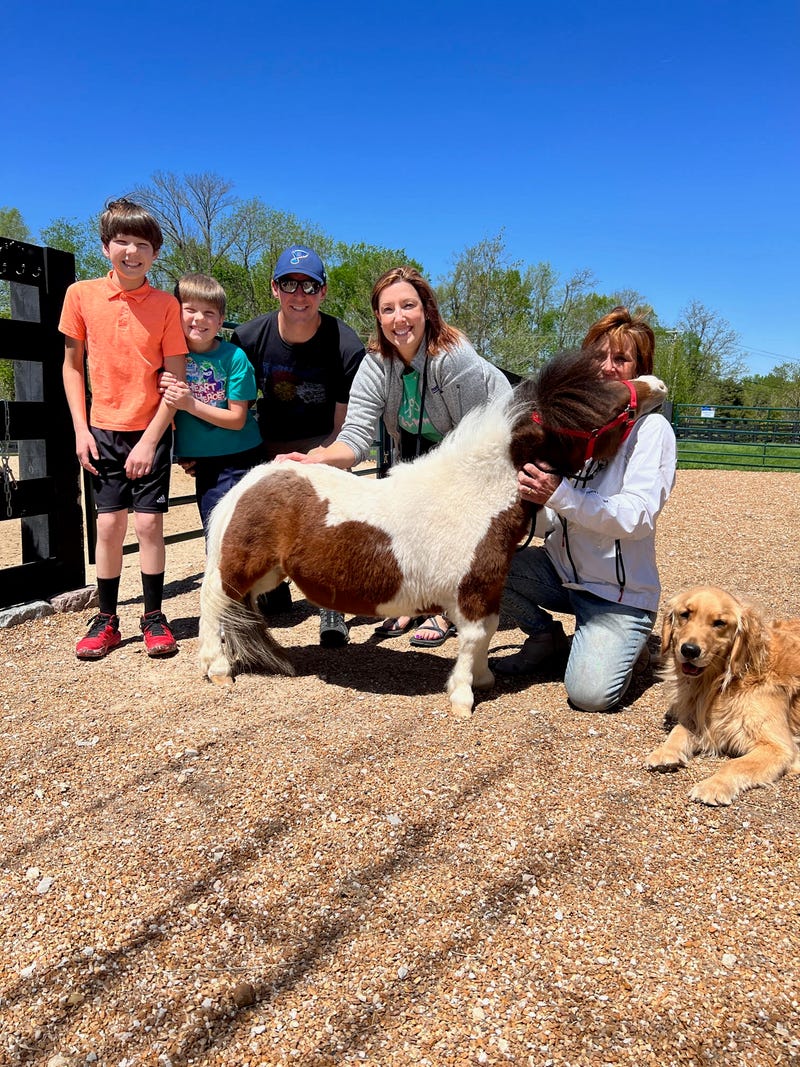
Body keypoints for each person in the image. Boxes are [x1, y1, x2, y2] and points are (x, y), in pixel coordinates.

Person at [281, 265, 512, 647]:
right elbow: (355, 437)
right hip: (421, 449)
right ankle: (416, 599)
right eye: (388, 309)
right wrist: (316, 459)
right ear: (378, 316)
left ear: (427, 310)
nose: (399, 318)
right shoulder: (374, 364)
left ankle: (441, 607)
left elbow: (477, 445)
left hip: (483, 449)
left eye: (408, 306)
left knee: (441, 515)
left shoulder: (455, 358)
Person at [493, 306, 677, 712]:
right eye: (598, 357)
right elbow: (550, 521)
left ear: (639, 370)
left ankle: (626, 646)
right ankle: (544, 637)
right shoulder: (572, 425)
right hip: (561, 574)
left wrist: (558, 493)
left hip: (618, 595)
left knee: (589, 696)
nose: (607, 368)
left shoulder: (652, 430)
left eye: (621, 359)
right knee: (485, 564)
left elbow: (636, 517)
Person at [59, 197, 188, 660]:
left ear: (155, 254)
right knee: (109, 526)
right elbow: (72, 367)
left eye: (141, 244)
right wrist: (81, 428)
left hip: (150, 430)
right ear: (105, 247)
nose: (131, 252)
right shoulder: (80, 296)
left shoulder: (167, 305)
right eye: (122, 242)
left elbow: (176, 381)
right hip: (101, 431)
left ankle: (154, 616)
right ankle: (107, 618)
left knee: (150, 526)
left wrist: (152, 439)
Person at [231, 246, 365, 648]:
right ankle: (271, 588)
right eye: (290, 283)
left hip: (321, 445)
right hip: (263, 445)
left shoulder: (344, 344)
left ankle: (332, 605)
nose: (299, 294)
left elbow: (345, 428)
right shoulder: (248, 338)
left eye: (310, 285)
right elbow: (232, 402)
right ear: (275, 288)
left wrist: (313, 460)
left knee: (328, 520)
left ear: (323, 292)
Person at [159, 273, 263, 534]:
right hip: (202, 462)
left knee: (232, 534)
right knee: (215, 532)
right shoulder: (169, 355)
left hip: (238, 456)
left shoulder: (233, 357)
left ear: (221, 320)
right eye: (190, 310)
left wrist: (189, 403)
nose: (199, 319)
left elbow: (237, 419)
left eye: (209, 313)